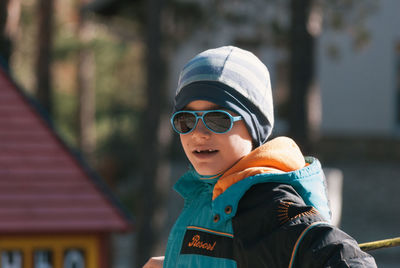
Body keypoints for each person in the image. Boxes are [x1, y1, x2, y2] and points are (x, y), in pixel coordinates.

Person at [143, 46, 376, 267]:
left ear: (254, 127)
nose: (199, 133)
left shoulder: (266, 204)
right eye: (186, 120)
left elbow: (349, 260)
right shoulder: (208, 193)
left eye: (218, 119)